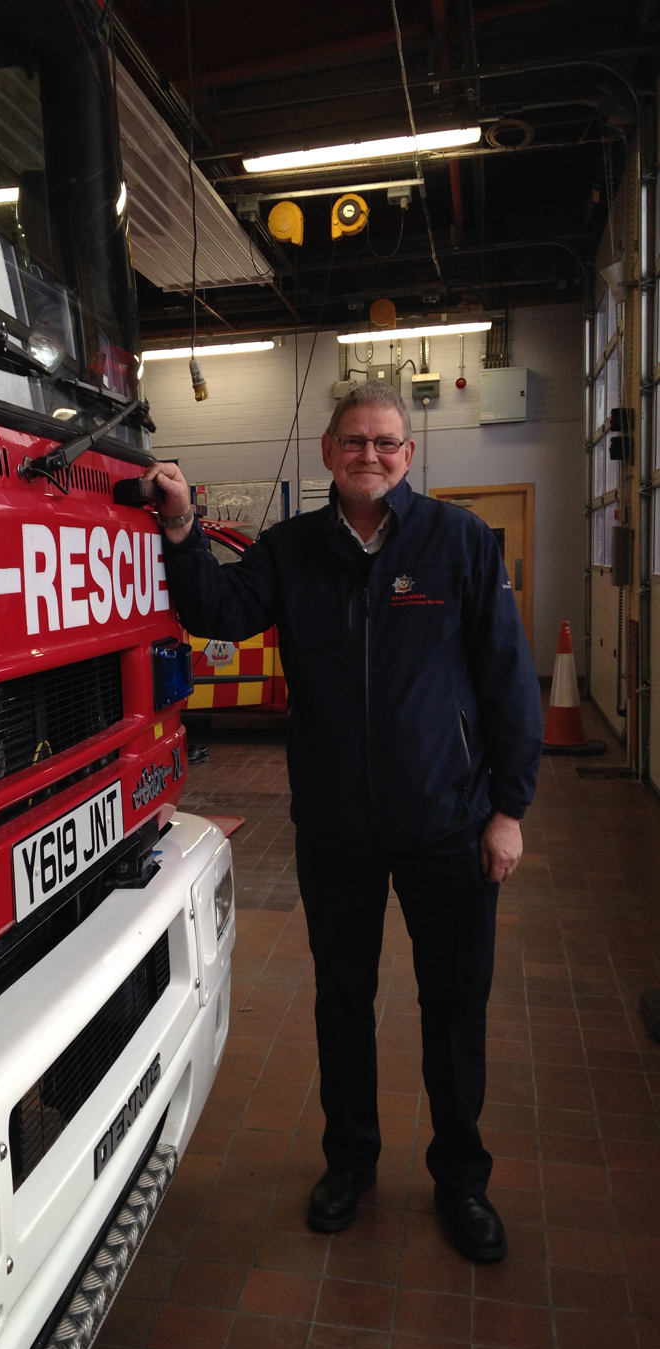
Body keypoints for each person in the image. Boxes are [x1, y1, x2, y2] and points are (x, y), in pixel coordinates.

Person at [145, 380, 542, 1262]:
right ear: (328, 451)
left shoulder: (460, 542)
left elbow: (509, 678)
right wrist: (181, 528)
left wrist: (509, 809)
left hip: (447, 819)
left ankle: (461, 1178)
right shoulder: (291, 549)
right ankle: (350, 1163)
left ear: (409, 454)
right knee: (341, 1002)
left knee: (455, 1005)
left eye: (386, 442)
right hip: (335, 827)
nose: (371, 455)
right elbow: (216, 612)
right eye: (354, 441)